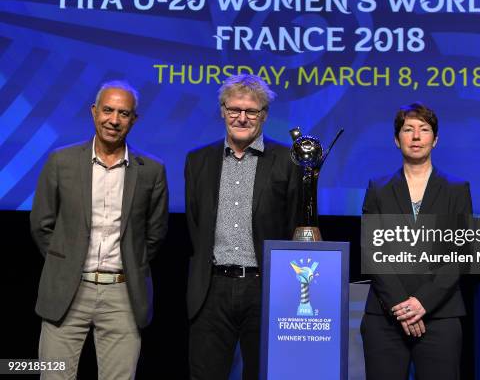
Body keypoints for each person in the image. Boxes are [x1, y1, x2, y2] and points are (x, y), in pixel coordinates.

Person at [30, 80, 169, 380]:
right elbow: (42, 224)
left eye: (123, 113)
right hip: (67, 290)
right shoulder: (60, 161)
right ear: (94, 112)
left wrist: (131, 265)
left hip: (123, 293)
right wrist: (64, 262)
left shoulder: (152, 170)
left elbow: (154, 234)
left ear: (134, 119)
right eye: (108, 110)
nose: (114, 120)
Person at [185, 74, 301, 379]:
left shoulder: (287, 161)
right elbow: (195, 224)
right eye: (234, 109)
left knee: (265, 373)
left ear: (263, 116)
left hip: (265, 288)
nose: (242, 117)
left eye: (251, 111)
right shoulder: (197, 161)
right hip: (212, 287)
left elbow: (293, 225)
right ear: (223, 110)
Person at [360, 102, 472, 380]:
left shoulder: (457, 189)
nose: (416, 136)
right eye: (408, 130)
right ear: (396, 140)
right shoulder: (378, 188)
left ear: (435, 139)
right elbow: (372, 250)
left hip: (441, 315)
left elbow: (461, 253)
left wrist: (423, 302)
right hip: (386, 315)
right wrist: (401, 305)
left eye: (424, 129)